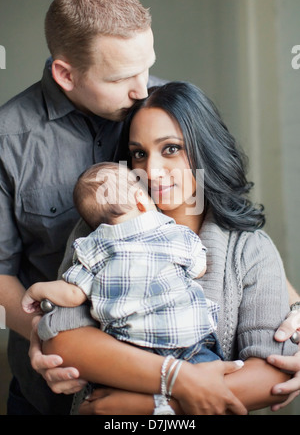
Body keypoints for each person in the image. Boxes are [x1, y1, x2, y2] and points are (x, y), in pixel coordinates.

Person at [37, 82, 299, 415]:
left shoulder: (250, 249)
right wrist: (180, 380)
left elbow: (272, 373)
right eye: (139, 153)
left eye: (171, 149)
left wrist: (143, 405)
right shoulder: (102, 230)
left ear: (205, 149)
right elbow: (64, 340)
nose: (152, 171)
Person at [0, 0, 159, 415]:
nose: (142, 90)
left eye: (146, 67)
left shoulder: (170, 111)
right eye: (123, 76)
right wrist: (45, 333)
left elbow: (227, 221)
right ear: (65, 74)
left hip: (168, 388)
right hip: (50, 392)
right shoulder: (6, 141)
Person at [23, 161, 224, 412]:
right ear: (141, 200)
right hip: (189, 340)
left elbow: (73, 294)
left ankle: (156, 404)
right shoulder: (173, 232)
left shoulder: (91, 246)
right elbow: (199, 269)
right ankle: (167, 405)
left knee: (115, 396)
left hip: (130, 350)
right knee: (214, 388)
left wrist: (37, 290)